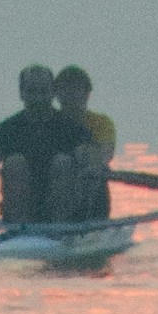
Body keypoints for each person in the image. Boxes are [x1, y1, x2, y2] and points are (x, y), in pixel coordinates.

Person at [0, 65, 84, 229]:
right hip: (20, 213)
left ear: (53, 93)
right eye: (31, 92)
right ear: (21, 94)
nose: (38, 99)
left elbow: (87, 154)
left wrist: (94, 167)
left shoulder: (72, 128)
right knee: (15, 162)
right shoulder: (5, 130)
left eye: (43, 92)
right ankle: (20, 228)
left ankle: (60, 227)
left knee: (63, 162)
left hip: (64, 212)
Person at [46, 67, 116, 223]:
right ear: (56, 94)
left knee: (86, 163)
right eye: (66, 89)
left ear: (87, 92)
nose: (72, 95)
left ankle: (84, 219)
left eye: (77, 89)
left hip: (92, 192)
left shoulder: (101, 122)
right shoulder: (48, 123)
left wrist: (92, 161)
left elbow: (105, 154)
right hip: (54, 193)